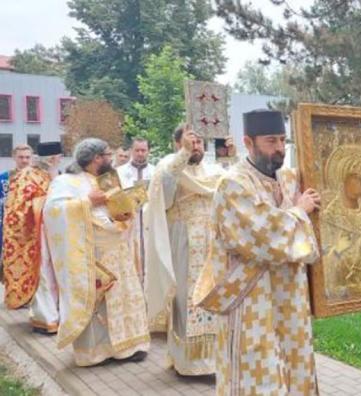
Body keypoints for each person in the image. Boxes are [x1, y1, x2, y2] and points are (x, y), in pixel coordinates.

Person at [193, 109, 321, 395]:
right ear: (248, 143)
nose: (279, 149)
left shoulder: (289, 179)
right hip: (252, 296)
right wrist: (300, 212)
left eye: (282, 141)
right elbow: (264, 236)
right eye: (271, 141)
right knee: (258, 371)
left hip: (289, 295)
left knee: (293, 363)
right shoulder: (233, 184)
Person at [43, 138, 149, 366]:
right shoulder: (66, 181)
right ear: (95, 158)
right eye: (107, 155)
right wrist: (86, 201)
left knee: (125, 298)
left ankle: (130, 347)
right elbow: (53, 211)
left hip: (118, 249)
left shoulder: (107, 180)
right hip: (92, 254)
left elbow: (115, 207)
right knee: (99, 302)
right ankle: (96, 353)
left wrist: (125, 210)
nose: (111, 159)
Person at [145, 125, 235, 375]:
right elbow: (164, 193)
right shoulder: (168, 166)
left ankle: (219, 361)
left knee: (217, 297)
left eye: (199, 143)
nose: (196, 147)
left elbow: (233, 189)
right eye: (191, 142)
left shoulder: (214, 169)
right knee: (187, 297)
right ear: (178, 143)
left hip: (215, 243)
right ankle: (189, 363)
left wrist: (231, 156)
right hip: (186, 241)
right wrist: (183, 155)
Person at [2, 143, 62, 313]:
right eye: (58, 158)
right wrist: (47, 205)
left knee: (52, 274)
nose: (59, 160)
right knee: (42, 275)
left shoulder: (51, 174)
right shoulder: (26, 176)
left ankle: (54, 312)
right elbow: (17, 208)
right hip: (35, 235)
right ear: (51, 158)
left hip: (53, 234)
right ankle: (44, 316)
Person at [117, 137, 155, 282]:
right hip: (128, 226)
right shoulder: (119, 173)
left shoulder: (156, 172)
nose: (140, 153)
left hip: (149, 225)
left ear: (148, 151)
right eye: (137, 150)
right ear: (131, 151)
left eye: (143, 150)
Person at [0, 145, 33, 280]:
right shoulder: (4, 178)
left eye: (27, 157)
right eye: (21, 157)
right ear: (14, 157)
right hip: (9, 229)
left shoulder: (36, 178)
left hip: (31, 229)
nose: (24, 160)